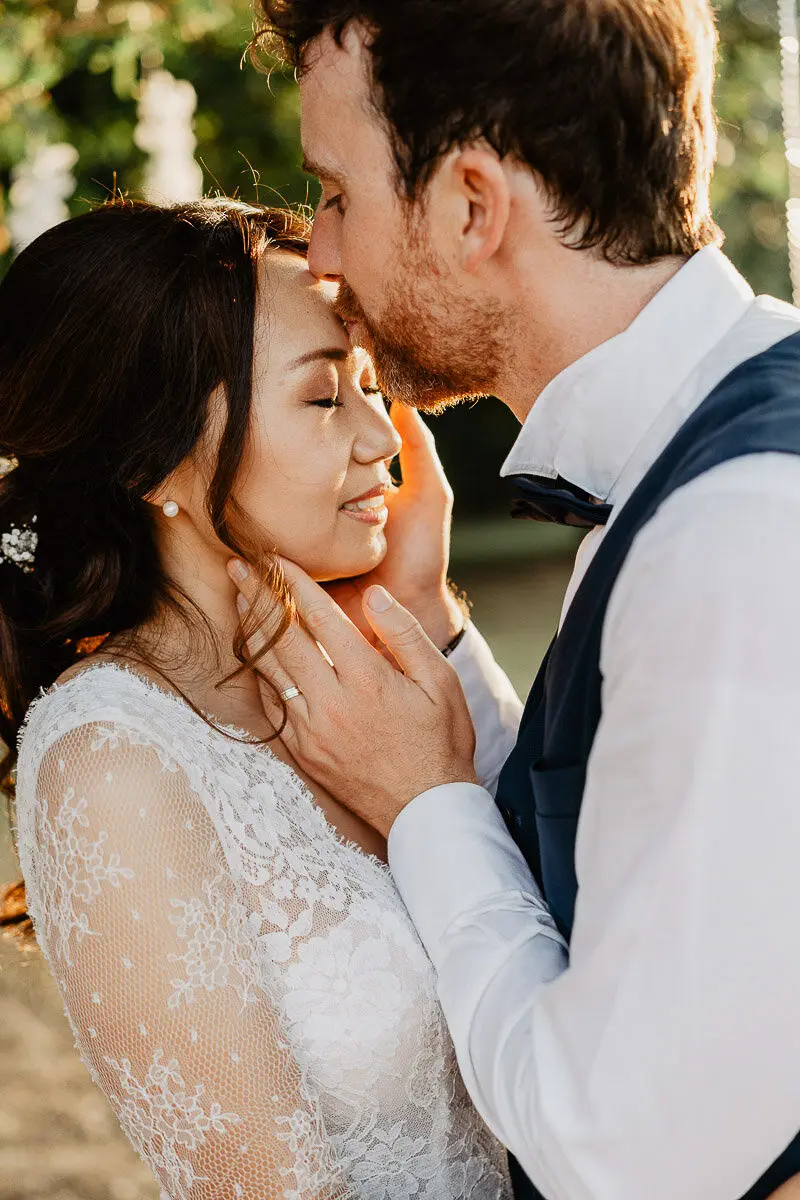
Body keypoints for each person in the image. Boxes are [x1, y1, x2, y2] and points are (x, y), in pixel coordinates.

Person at [230, 2, 800, 1198]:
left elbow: (624, 1160)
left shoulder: (736, 532)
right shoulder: (697, 464)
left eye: (336, 195)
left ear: (471, 205)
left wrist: (426, 803)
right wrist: (433, 630)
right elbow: (626, 860)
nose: (321, 257)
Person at [0, 198, 522, 1199]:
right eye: (325, 397)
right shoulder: (111, 762)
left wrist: (421, 609)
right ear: (156, 457)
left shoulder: (362, 686)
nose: (383, 440)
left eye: (370, 386)